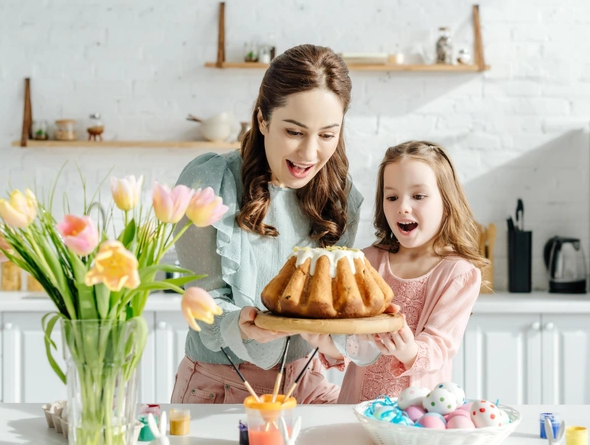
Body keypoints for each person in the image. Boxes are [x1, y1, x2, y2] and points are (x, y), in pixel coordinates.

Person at [170, 44, 369, 404]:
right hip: (222, 387)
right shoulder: (210, 183)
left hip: (306, 384)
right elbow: (202, 304)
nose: (310, 154)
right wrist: (238, 324)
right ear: (262, 119)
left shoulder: (340, 197)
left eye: (327, 135)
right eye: (294, 131)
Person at [336, 140, 486, 403]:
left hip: (418, 414)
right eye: (392, 197)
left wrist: (409, 350)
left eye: (418, 196)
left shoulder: (458, 274)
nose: (402, 207)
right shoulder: (366, 262)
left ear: (447, 203)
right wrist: (328, 340)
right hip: (356, 408)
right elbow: (350, 339)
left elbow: (440, 345)